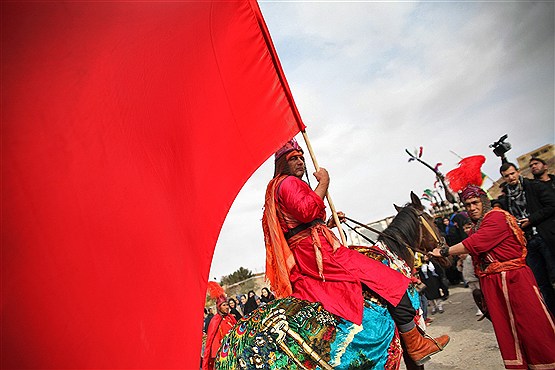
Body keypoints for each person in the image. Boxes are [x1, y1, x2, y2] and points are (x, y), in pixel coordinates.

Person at [262, 138, 449, 365]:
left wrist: (327, 223)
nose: (301, 161)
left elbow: (300, 224)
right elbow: (307, 209)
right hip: (319, 253)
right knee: (389, 278)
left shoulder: (279, 187)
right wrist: (324, 183)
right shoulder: (287, 183)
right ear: (283, 162)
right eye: (294, 158)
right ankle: (416, 344)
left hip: (312, 248)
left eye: (302, 157)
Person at [431, 184, 555, 369]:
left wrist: (445, 251)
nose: (471, 208)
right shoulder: (474, 227)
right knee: (507, 331)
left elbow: (477, 244)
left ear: (484, 201)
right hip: (492, 282)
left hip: (515, 279)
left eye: (475, 203)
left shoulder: (497, 217)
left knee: (532, 326)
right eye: (467, 205)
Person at [498, 162, 555, 314]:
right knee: (541, 283)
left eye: (512, 173)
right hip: (526, 243)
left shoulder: (534, 186)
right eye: (506, 176)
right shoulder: (506, 198)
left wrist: (531, 219)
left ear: (517, 172)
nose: (511, 178)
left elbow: (551, 205)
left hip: (543, 237)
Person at [202, 284, 237, 370]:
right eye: (224, 305)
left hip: (235, 351)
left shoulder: (230, 318)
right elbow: (213, 342)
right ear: (219, 307)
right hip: (224, 356)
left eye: (227, 305)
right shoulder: (215, 321)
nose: (227, 307)